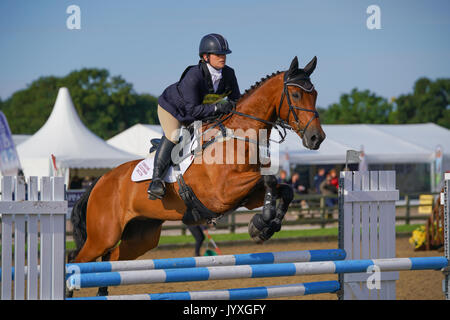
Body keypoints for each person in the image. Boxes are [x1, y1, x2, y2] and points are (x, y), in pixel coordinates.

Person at [147, 33, 241, 200]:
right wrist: (217, 107)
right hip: (173, 109)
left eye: (224, 54)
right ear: (205, 57)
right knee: (174, 136)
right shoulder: (194, 75)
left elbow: (236, 102)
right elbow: (192, 111)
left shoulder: (229, 74)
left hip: (200, 112)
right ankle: (156, 181)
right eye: (218, 54)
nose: (223, 58)